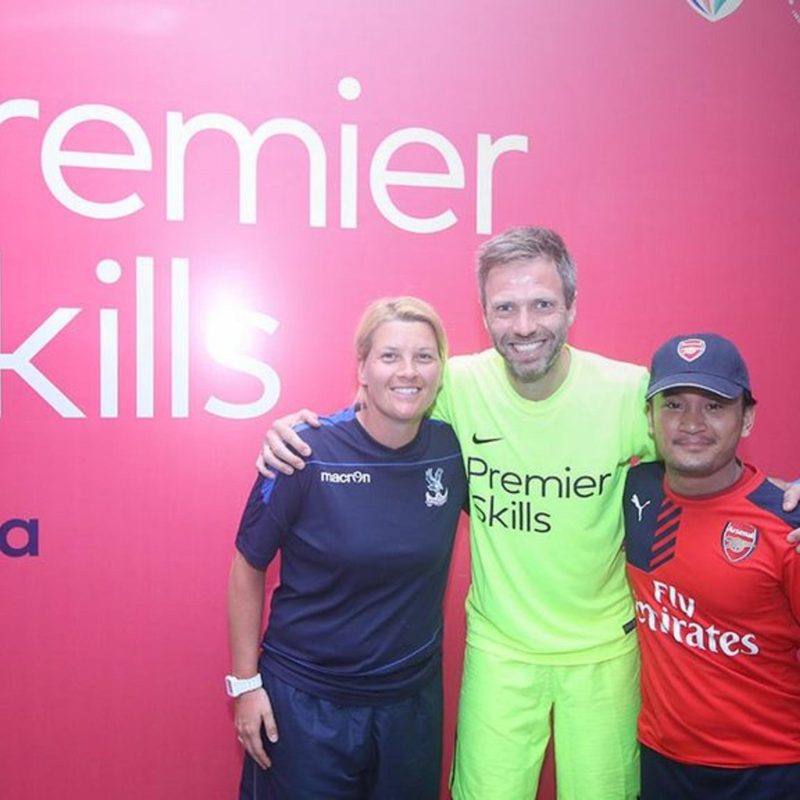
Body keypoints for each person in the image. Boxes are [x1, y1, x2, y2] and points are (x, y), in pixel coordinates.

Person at [256, 227, 800, 800]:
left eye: (541, 304)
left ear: (571, 307)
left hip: (603, 653)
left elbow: (701, 449)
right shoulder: (456, 384)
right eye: (505, 308)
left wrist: (783, 494)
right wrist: (294, 432)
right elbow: (380, 407)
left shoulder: (626, 390)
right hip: (500, 650)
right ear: (484, 314)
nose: (523, 326)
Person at [227, 296, 467, 800]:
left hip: (409, 710)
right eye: (389, 356)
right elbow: (248, 564)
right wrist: (245, 685)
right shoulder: (303, 452)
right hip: (306, 707)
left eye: (424, 356)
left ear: (441, 370)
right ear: (362, 368)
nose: (408, 371)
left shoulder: (452, 451)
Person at [624, 333, 800, 799]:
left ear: (747, 419)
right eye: (673, 405)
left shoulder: (788, 525)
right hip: (662, 764)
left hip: (770, 771)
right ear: (650, 418)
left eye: (715, 406)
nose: (691, 423)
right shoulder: (634, 492)